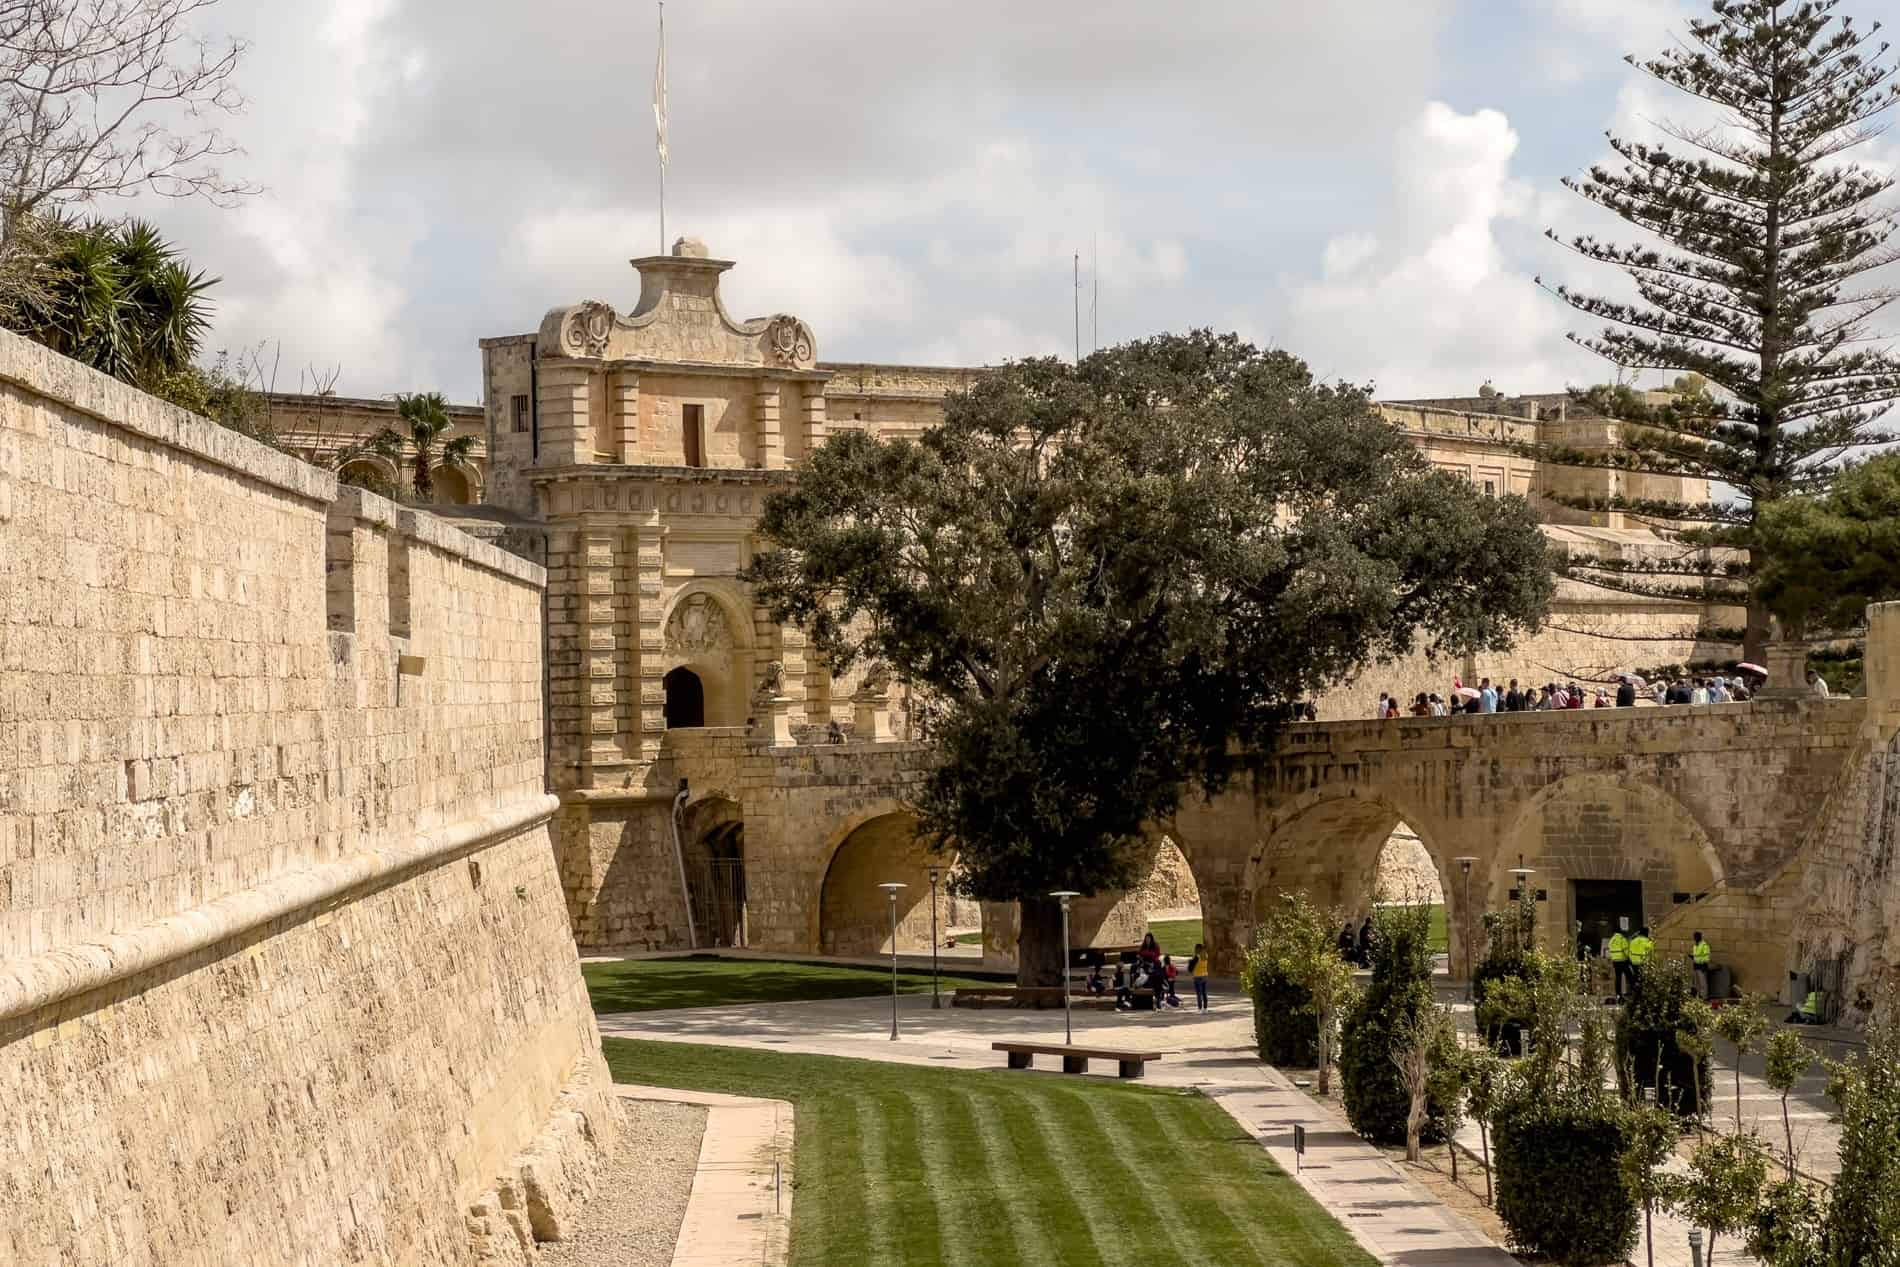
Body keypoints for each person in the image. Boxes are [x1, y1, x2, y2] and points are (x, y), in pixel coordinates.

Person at [1608, 925, 1631, 999]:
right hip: (1623, 960)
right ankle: (1632, 991)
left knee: (1618, 977)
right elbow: (1626, 951)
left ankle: (1618, 993)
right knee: (1629, 976)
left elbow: (1609, 949)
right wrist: (1629, 957)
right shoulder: (1622, 939)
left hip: (1615, 961)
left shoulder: (1612, 940)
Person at [1189, 942, 1211, 1012]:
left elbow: (1190, 968)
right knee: (1204, 993)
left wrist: (1190, 962)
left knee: (1199, 993)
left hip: (1197, 976)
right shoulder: (1206, 956)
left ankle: (1199, 1008)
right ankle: (1205, 1008)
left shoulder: (1196, 957)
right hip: (1204, 975)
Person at [1690, 930, 1712, 999]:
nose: (1695, 938)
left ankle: (1704, 996)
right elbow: (1697, 956)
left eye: (1696, 937)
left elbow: (1707, 957)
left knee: (1703, 982)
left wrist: (1704, 965)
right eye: (1694, 937)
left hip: (1702, 966)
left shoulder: (1704, 945)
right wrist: (1692, 957)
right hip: (1696, 966)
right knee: (1697, 983)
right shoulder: (1695, 946)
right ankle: (1699, 995)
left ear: (1700, 937)